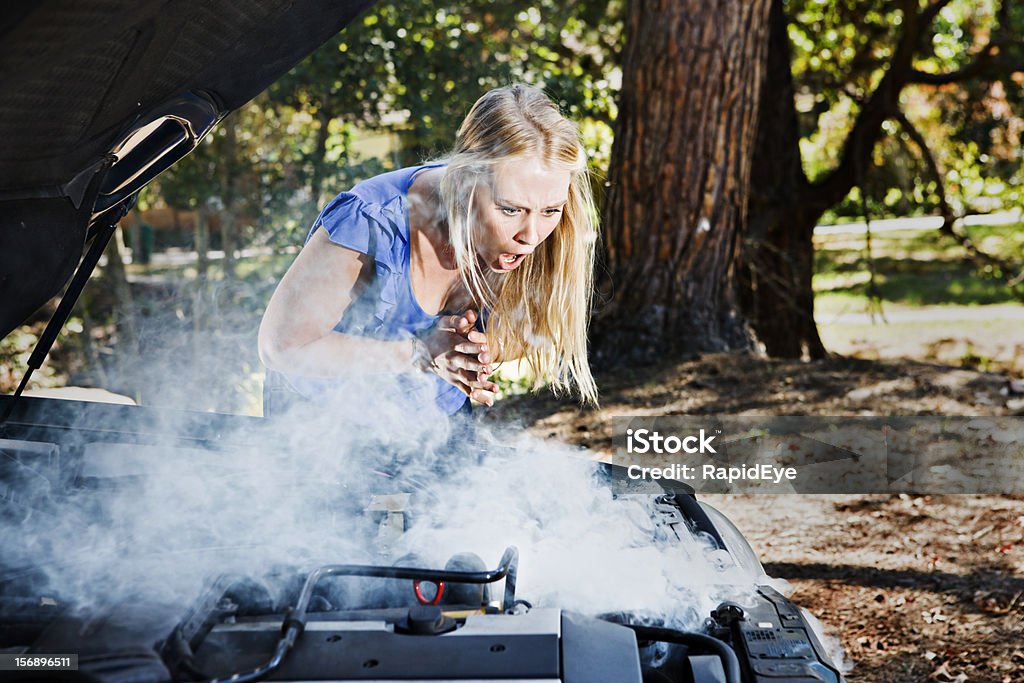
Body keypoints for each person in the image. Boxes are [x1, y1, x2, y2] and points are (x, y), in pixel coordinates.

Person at [258, 84, 598, 424]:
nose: (531, 235)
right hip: (316, 423)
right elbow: (283, 347)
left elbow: (533, 329)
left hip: (430, 420)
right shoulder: (371, 220)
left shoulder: (550, 225)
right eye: (509, 210)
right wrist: (420, 352)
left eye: (550, 210)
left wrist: (471, 351)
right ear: (464, 181)